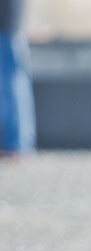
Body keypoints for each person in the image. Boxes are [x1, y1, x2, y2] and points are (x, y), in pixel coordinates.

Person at [0, 0, 35, 156]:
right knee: (12, 83)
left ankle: (16, 145)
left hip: (7, 24)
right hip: (9, 23)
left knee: (11, 84)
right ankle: (17, 144)